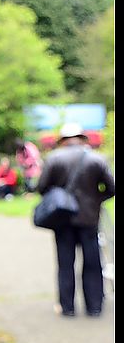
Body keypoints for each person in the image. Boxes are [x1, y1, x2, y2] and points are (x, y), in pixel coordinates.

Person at [36, 123, 115, 317]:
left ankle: (67, 307)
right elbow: (112, 187)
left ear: (63, 140)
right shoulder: (97, 158)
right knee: (92, 262)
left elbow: (42, 187)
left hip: (62, 219)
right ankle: (94, 306)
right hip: (89, 219)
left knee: (65, 263)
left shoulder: (54, 158)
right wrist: (96, 200)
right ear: (83, 138)